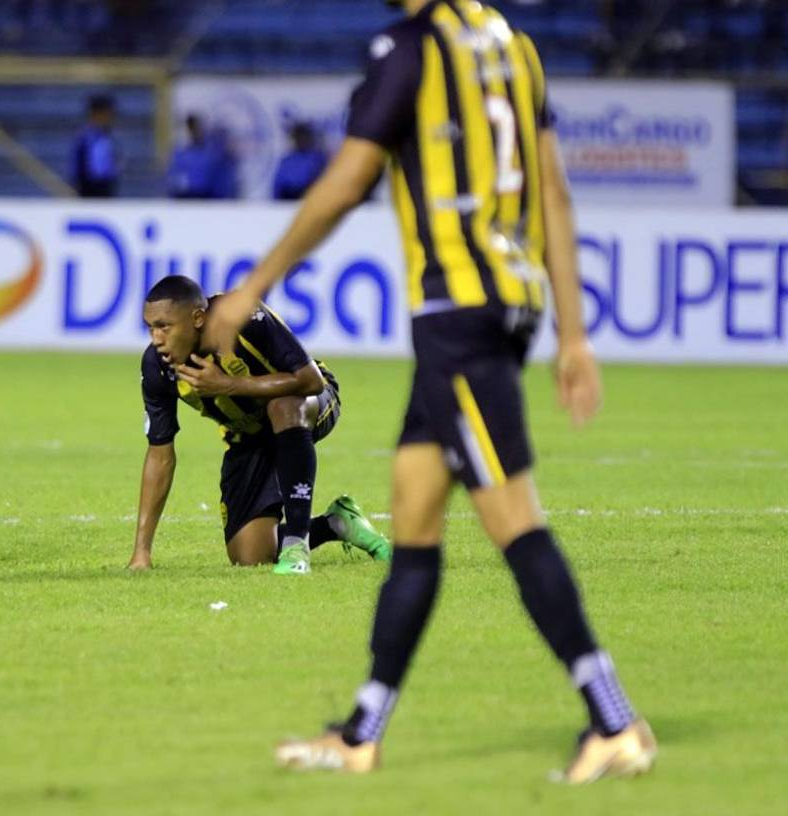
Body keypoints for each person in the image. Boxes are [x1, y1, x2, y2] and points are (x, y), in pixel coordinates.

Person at [206, 0, 655, 783]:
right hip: (501, 308)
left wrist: (253, 285)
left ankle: (614, 720)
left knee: (515, 521)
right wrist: (574, 333)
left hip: (459, 320)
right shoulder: (514, 47)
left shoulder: (410, 49)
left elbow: (349, 180)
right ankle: (362, 732)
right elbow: (553, 192)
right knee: (414, 522)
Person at [130, 276, 390, 575]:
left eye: (164, 327)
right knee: (250, 554)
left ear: (198, 318)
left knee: (283, 406)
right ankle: (337, 523)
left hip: (308, 402)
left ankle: (296, 546)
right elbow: (160, 455)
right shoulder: (157, 366)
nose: (156, 338)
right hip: (249, 435)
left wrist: (229, 384)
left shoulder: (243, 318)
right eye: (150, 327)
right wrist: (141, 554)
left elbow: (310, 380)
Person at [166, 114, 225, 200]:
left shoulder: (212, 153)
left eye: (197, 129)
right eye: (191, 129)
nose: (195, 132)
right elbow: (173, 178)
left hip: (207, 197)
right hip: (184, 197)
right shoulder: (179, 153)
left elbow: (219, 180)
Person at [71, 94, 119, 197]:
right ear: (96, 114)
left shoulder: (107, 137)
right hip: (90, 188)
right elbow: (79, 168)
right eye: (107, 114)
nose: (110, 118)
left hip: (105, 187)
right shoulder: (86, 138)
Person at [272, 121, 328, 201]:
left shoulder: (318, 159)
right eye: (298, 136)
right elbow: (277, 188)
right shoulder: (286, 161)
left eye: (304, 136)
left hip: (309, 197)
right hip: (287, 199)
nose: (301, 139)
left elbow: (322, 183)